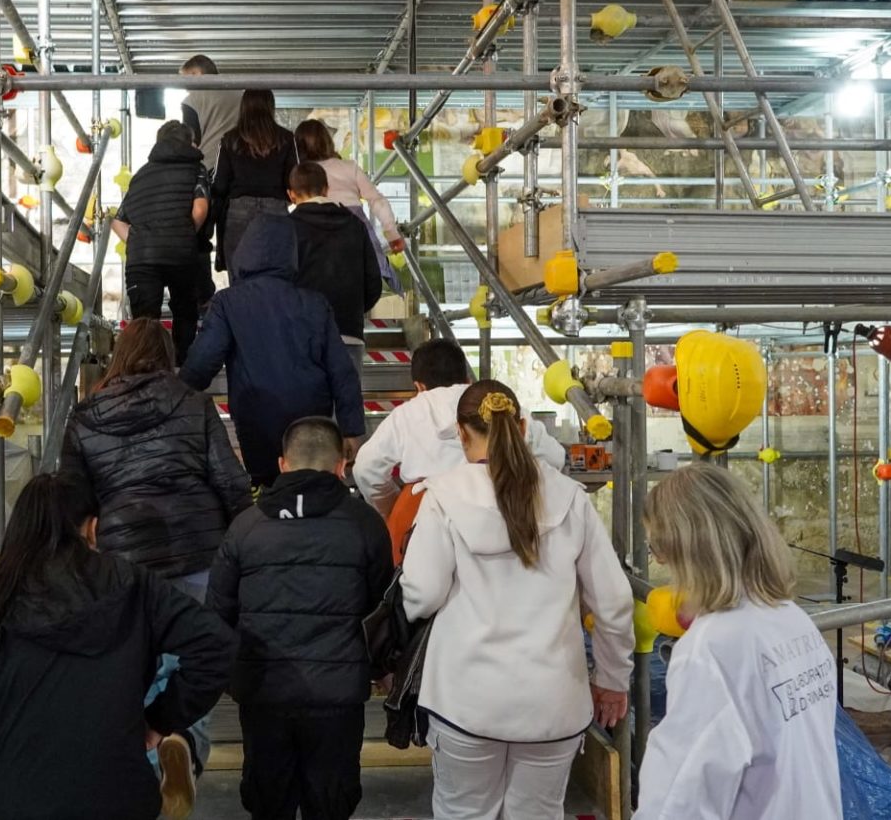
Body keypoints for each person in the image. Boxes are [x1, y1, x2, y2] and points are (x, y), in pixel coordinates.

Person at [0, 472, 236, 820]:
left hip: (19, 802)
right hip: (120, 799)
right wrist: (160, 720)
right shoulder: (133, 585)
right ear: (92, 528)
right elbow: (216, 646)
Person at [400, 380, 633, 820]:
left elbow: (422, 595)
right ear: (523, 427)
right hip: (554, 704)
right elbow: (613, 601)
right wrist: (612, 677)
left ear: (462, 433)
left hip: (465, 702)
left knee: (462, 812)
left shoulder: (442, 497)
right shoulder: (569, 497)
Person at [62, 319, 252, 782]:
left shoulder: (85, 416)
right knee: (194, 656)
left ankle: (144, 765)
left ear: (119, 355)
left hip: (123, 560)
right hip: (199, 550)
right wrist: (246, 538)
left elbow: (72, 498)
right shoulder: (193, 402)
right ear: (168, 357)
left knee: (135, 661)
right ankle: (182, 742)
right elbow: (229, 481)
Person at [207, 417, 394, 820]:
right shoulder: (365, 524)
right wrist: (381, 669)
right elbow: (382, 610)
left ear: (282, 464)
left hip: (264, 692)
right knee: (330, 803)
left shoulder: (245, 527)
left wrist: (228, 676)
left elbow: (218, 613)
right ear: (342, 466)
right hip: (337, 695)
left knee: (268, 803)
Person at [633, 465, 842, 820]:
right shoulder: (790, 618)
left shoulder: (710, 650)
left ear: (684, 549)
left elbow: (680, 798)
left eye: (657, 548)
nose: (660, 562)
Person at [180, 215, 365, 488]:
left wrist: (175, 397)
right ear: (291, 253)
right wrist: (352, 429)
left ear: (245, 251)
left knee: (267, 487)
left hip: (256, 417)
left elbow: (202, 364)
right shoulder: (314, 303)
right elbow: (342, 371)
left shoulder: (228, 303)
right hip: (310, 418)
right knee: (313, 485)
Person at [352, 339, 567, 563]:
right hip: (502, 518)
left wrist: (393, 506)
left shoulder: (408, 413)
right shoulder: (501, 406)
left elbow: (365, 468)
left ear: (419, 387)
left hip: (421, 524)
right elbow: (554, 458)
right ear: (467, 379)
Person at [112, 122, 211, 361]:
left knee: (145, 322)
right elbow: (200, 208)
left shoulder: (141, 174)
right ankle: (182, 365)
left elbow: (117, 221)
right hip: (180, 253)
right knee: (185, 311)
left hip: (142, 259)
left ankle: (146, 368)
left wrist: (138, 241)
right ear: (189, 143)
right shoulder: (196, 168)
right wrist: (182, 232)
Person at [286, 161, 383, 371]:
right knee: (347, 392)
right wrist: (352, 310)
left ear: (291, 195)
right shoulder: (355, 225)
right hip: (348, 331)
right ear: (326, 189)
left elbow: (277, 282)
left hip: (299, 332)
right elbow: (374, 282)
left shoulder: (285, 228)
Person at [294, 119, 403, 291]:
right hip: (356, 226)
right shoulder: (348, 167)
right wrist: (392, 234)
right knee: (373, 276)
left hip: (318, 228)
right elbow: (377, 200)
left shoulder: (301, 174)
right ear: (327, 141)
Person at [212, 90, 298, 277]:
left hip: (239, 209)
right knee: (277, 275)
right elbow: (293, 179)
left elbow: (220, 183)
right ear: (270, 107)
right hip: (276, 208)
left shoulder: (229, 139)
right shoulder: (286, 138)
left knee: (239, 276)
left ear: (244, 107)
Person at [179, 54, 240, 309]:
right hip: (237, 173)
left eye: (186, 79)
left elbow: (190, 141)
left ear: (198, 74)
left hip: (205, 170)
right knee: (234, 237)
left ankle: (203, 296)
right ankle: (240, 295)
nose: (185, 86)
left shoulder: (192, 100)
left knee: (200, 236)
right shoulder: (241, 94)